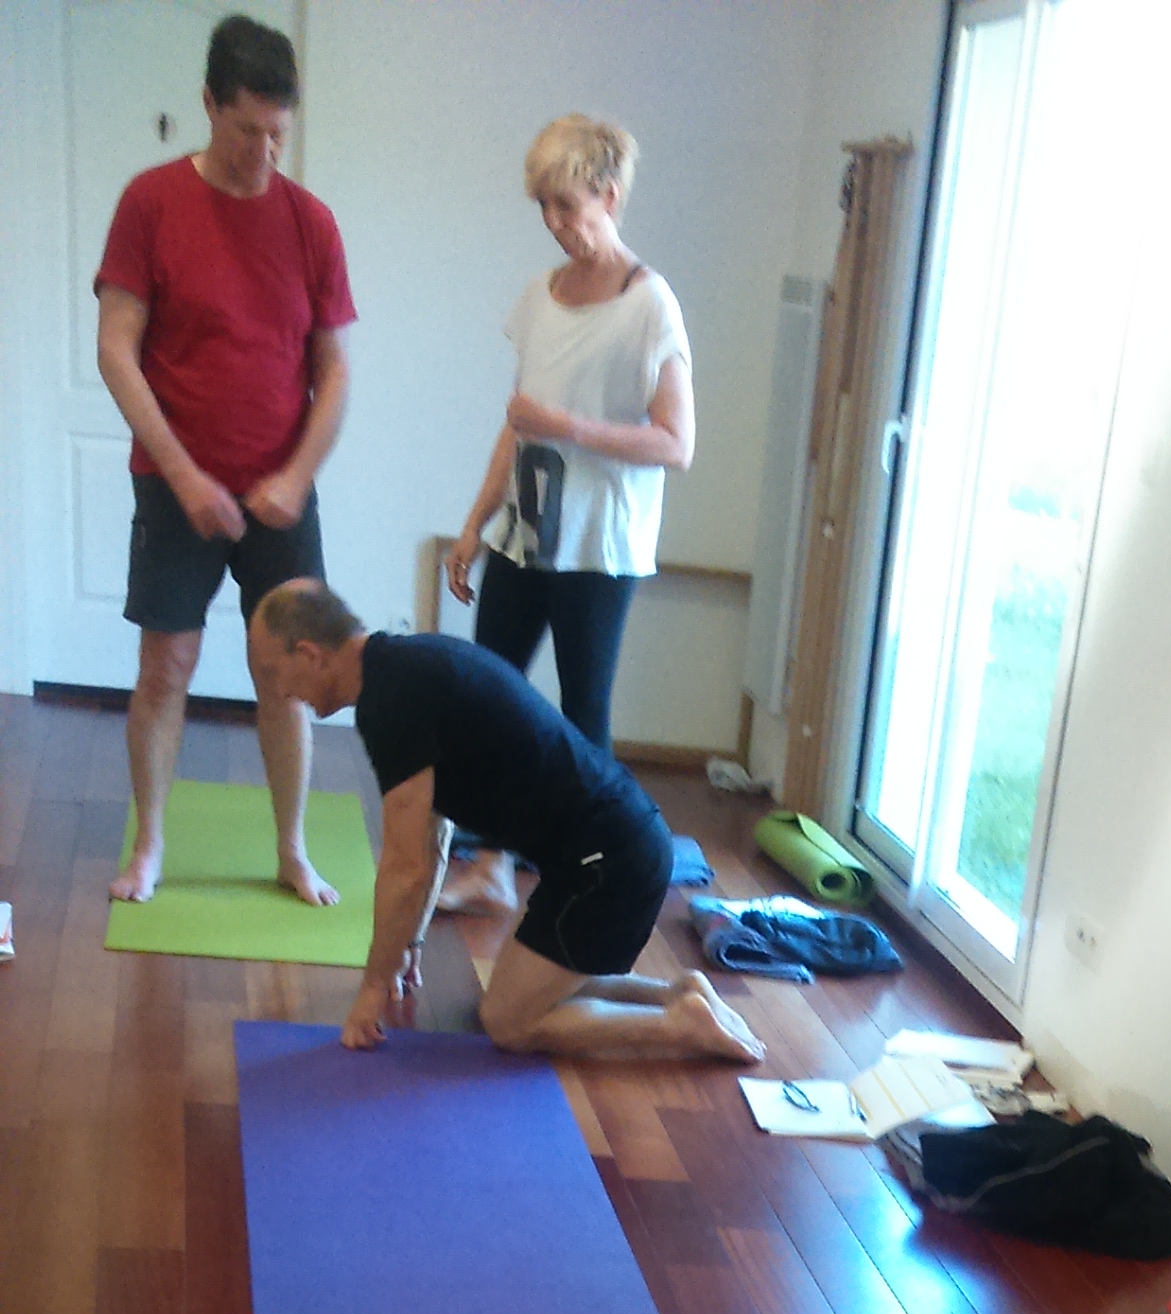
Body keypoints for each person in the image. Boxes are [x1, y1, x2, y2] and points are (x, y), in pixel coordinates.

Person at [247, 580, 762, 1064]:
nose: (279, 690)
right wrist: (410, 943)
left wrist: (372, 989)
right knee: (526, 991)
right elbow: (434, 836)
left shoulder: (392, 701)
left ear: (310, 654)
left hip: (609, 867)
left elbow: (405, 867)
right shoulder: (402, 668)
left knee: (507, 1022)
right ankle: (679, 993)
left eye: (274, 672)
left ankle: (677, 1025)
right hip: (611, 850)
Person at [94, 14, 356, 909]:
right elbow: (116, 351)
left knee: (288, 674)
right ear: (209, 104)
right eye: (247, 131)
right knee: (165, 669)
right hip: (174, 486)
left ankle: (291, 850)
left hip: (282, 491)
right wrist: (184, 477)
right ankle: (150, 847)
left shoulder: (311, 223)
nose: (263, 154)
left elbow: (335, 371)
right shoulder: (150, 204)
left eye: (279, 134)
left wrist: (295, 477)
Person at [437, 112, 692, 917]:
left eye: (567, 206)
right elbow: (517, 426)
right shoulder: (540, 298)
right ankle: (491, 863)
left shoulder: (649, 305)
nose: (553, 222)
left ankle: (589, 877)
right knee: (491, 698)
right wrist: (475, 525)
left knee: (584, 715)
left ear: (609, 196)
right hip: (525, 536)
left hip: (600, 548)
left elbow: (676, 443)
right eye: (543, 207)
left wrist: (570, 428)